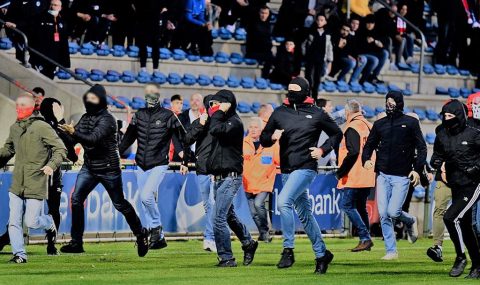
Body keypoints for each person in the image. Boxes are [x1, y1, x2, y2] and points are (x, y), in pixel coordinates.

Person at [260, 77, 342, 273]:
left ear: (305, 91)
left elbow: (337, 134)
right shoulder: (279, 112)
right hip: (286, 169)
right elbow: (263, 139)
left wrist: (322, 150)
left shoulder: (317, 113)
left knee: (283, 203)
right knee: (305, 214)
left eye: (295, 90)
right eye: (289, 90)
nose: (291, 93)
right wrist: (272, 137)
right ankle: (322, 254)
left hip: (306, 167)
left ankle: (288, 249)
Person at [58, 84, 149, 257]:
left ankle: (140, 233)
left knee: (119, 203)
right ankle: (76, 242)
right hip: (90, 166)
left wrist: (73, 132)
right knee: (76, 200)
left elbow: (92, 139)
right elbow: (73, 140)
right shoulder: (85, 117)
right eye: (88, 98)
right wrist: (60, 127)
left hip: (109, 168)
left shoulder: (108, 119)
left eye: (92, 98)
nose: (88, 101)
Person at [0, 93, 66, 263]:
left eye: (22, 105)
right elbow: (7, 150)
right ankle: (20, 255)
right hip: (17, 183)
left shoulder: (41, 127)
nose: (18, 108)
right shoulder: (15, 128)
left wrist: (51, 165)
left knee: (32, 221)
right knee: (13, 221)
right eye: (17, 105)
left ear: (31, 108)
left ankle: (49, 224)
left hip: (36, 181)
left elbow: (60, 149)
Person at [119, 84, 185, 250]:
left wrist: (185, 158)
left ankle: (156, 227)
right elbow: (129, 137)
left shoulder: (168, 115)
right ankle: (157, 238)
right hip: (140, 163)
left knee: (147, 196)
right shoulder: (139, 114)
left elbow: (179, 139)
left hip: (159, 163)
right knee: (143, 200)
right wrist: (116, 153)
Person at [362, 90, 426, 260]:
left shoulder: (411, 122)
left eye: (392, 102)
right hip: (382, 174)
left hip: (402, 175)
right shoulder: (379, 124)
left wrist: (417, 169)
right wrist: (366, 159)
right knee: (383, 213)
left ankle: (410, 220)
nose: (389, 105)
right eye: (387, 102)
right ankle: (391, 250)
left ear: (399, 103)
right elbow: (369, 145)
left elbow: (422, 147)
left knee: (393, 211)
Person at [207, 89, 258, 267]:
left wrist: (219, 112)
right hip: (219, 177)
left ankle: (226, 258)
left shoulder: (235, 122)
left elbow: (215, 129)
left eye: (217, 104)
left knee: (218, 218)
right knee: (228, 216)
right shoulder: (221, 120)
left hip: (231, 177)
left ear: (227, 103)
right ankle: (248, 243)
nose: (213, 108)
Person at [430, 99, 480, 278]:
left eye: (451, 115)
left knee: (451, 217)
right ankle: (477, 265)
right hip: (455, 182)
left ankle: (460, 257)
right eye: (445, 115)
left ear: (459, 116)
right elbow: (437, 154)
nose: (447, 118)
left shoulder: (474, 133)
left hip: (473, 183)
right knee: (465, 226)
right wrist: (435, 162)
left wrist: (476, 168)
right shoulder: (442, 134)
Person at [39, 97, 78, 255]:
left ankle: (6, 238)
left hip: (40, 174)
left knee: (26, 209)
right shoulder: (50, 128)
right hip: (47, 174)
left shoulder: (39, 124)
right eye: (58, 108)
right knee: (51, 210)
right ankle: (51, 244)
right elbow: (71, 151)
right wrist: (62, 121)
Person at [336, 99, 375, 252]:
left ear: (347, 112)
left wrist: (341, 172)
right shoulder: (368, 125)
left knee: (347, 205)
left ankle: (365, 238)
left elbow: (353, 153)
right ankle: (366, 239)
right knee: (360, 207)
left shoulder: (351, 127)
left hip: (354, 175)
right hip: (367, 173)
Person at [182, 94, 217, 252]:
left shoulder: (222, 123)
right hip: (202, 168)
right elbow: (187, 139)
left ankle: (209, 237)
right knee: (209, 205)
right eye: (213, 104)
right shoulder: (200, 122)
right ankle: (213, 237)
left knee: (213, 204)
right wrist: (200, 125)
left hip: (216, 169)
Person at [243, 117, 280, 242]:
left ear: (261, 130)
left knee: (259, 205)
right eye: (251, 127)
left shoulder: (272, 144)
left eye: (256, 127)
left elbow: (279, 160)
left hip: (265, 182)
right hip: (247, 183)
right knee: (253, 212)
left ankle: (264, 231)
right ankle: (263, 233)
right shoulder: (242, 143)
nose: (253, 130)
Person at [30, 0, 70, 79]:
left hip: (53, 59)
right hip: (40, 57)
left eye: (55, 5)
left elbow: (64, 44)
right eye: (51, 4)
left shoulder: (62, 22)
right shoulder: (40, 18)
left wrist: (65, 63)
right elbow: (33, 36)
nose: (52, 7)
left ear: (60, 8)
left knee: (49, 80)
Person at [4, 0, 49, 64]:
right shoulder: (16, 2)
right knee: (20, 58)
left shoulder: (41, 3)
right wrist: (11, 31)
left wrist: (17, 25)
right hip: (20, 34)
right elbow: (10, 16)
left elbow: (36, 19)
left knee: (36, 58)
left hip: (35, 34)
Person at [303, 14, 333, 97]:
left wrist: (330, 61)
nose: (319, 22)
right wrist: (305, 54)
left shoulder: (328, 34)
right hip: (310, 58)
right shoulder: (311, 31)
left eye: (322, 20)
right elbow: (304, 44)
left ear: (325, 22)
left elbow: (329, 48)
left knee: (317, 78)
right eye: (318, 20)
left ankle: (315, 97)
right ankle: (307, 95)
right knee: (308, 76)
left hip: (321, 59)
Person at [357, 14, 389, 84]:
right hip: (363, 52)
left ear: (374, 24)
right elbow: (358, 46)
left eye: (371, 23)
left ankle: (374, 76)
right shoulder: (361, 31)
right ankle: (364, 79)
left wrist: (379, 44)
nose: (369, 25)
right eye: (368, 23)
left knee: (385, 53)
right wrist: (366, 41)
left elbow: (383, 44)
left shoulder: (376, 32)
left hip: (372, 52)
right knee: (375, 60)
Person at [245, 6, 273, 79]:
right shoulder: (253, 24)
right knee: (270, 58)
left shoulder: (268, 25)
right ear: (259, 13)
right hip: (254, 51)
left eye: (266, 13)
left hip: (264, 51)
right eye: (262, 13)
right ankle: (265, 77)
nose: (264, 15)